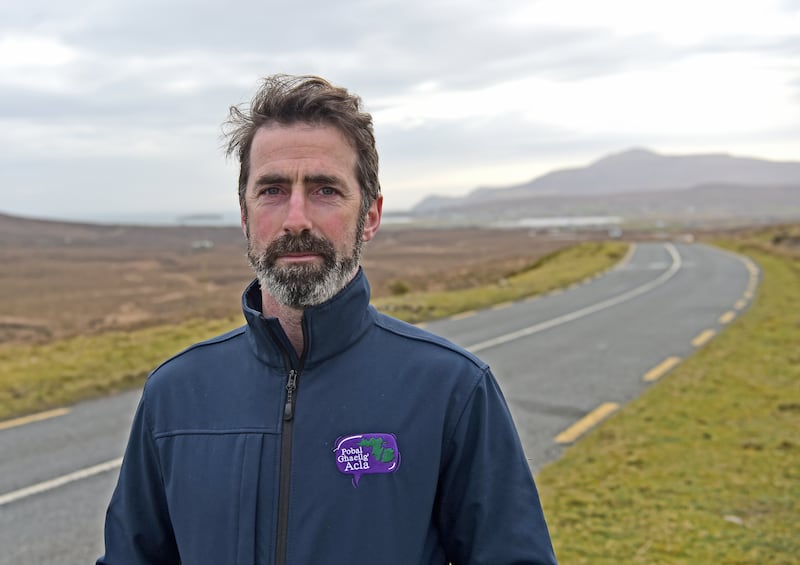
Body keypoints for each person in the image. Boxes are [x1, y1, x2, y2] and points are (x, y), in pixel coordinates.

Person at [97, 74, 557, 565]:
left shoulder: (453, 391)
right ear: (245, 216)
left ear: (371, 216)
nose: (296, 218)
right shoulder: (175, 394)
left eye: (324, 191)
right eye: (272, 190)